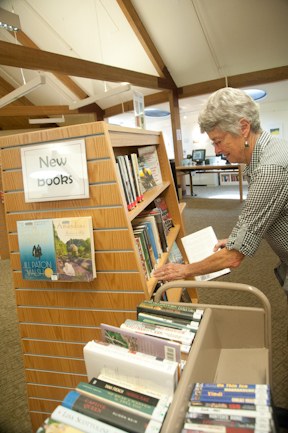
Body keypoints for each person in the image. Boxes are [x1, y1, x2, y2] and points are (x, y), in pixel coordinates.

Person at [153, 87, 288, 295]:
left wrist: (184, 270)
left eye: (218, 141)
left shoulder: (271, 169)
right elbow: (270, 212)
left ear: (243, 127)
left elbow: (233, 257)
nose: (216, 150)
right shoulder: (272, 150)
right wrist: (237, 237)